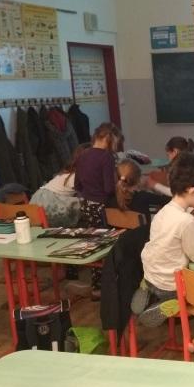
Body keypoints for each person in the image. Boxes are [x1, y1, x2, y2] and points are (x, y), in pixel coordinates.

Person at [132, 152, 194, 327]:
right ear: (192, 189)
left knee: (161, 278)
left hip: (151, 275)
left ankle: (147, 290)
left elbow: (178, 243)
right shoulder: (186, 221)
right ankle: (173, 305)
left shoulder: (165, 211)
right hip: (171, 286)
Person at [74, 122, 122, 296]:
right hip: (100, 206)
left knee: (93, 244)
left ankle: (96, 285)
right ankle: (107, 285)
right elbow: (109, 189)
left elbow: (77, 184)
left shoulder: (82, 155)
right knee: (105, 245)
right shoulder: (106, 157)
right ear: (109, 138)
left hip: (85, 205)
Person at [147, 135, 194, 232]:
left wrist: (155, 185)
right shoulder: (192, 163)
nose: (168, 159)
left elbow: (179, 191)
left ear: (175, 151)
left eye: (168, 155)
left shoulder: (185, 167)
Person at [30, 143, 90, 227]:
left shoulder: (70, 171)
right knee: (82, 205)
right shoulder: (77, 175)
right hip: (49, 201)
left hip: (39, 197)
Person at [107, 159, 170, 223]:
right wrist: (155, 186)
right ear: (138, 179)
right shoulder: (143, 196)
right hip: (144, 232)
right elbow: (171, 200)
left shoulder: (110, 199)